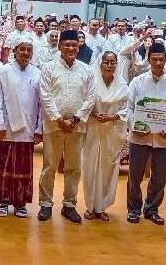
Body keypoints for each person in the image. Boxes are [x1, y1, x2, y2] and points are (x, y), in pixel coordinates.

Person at [38, 29, 96, 224]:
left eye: (74, 45)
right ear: (59, 46)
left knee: (73, 167)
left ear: (79, 47)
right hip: (54, 125)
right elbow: (45, 96)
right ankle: (46, 203)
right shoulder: (48, 68)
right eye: (67, 45)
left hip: (76, 127)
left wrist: (76, 119)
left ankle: (69, 204)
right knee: (49, 166)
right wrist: (59, 119)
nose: (71, 48)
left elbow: (91, 97)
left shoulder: (86, 70)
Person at [126, 42, 166, 225]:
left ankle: (152, 208)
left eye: (161, 59)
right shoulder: (137, 82)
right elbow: (129, 109)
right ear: (148, 60)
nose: (158, 63)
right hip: (140, 136)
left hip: (164, 139)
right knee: (135, 175)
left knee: (160, 176)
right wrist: (137, 125)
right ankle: (134, 209)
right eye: (154, 59)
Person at [0, 36, 42, 218]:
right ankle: (3, 201)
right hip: (7, 126)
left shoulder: (38, 73)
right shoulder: (2, 71)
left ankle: (20, 203)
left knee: (23, 167)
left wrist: (39, 129)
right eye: (22, 49)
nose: (25, 53)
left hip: (28, 127)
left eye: (29, 50)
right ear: (14, 51)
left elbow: (42, 104)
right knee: (4, 166)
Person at [82, 51, 128, 221]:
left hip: (112, 132)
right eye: (106, 62)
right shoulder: (91, 83)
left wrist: (112, 117)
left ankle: (101, 207)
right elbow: (84, 103)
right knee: (89, 167)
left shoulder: (122, 85)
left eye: (112, 62)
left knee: (107, 169)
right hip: (92, 130)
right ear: (100, 63)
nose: (109, 65)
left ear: (116, 64)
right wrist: (93, 115)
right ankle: (90, 206)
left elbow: (126, 109)